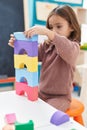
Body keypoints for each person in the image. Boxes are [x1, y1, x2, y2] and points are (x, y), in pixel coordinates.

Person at [2, 5, 81, 130]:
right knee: (26, 107)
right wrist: (19, 45)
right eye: (50, 27)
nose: (54, 30)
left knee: (45, 114)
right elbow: (32, 55)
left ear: (71, 27)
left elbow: (69, 51)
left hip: (60, 97)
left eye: (58, 26)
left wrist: (49, 33)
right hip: (41, 92)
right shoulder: (47, 46)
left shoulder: (73, 47)